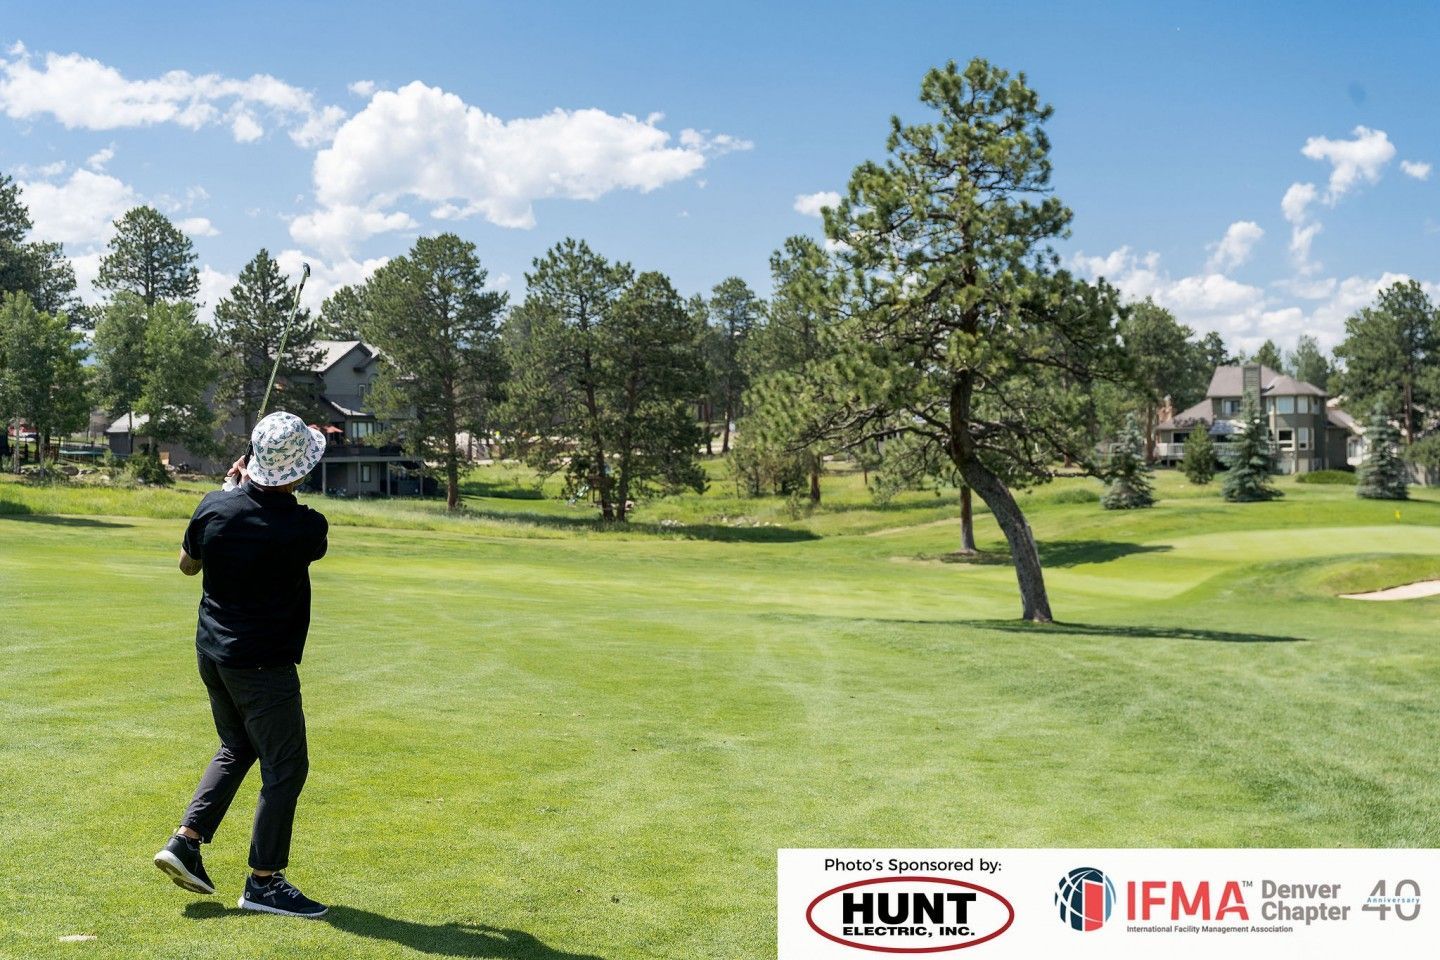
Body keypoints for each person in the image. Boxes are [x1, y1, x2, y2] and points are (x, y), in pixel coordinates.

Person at [153, 411, 331, 919]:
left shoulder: (213, 507)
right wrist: (242, 489)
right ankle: (264, 882)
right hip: (264, 666)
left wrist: (229, 490)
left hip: (213, 654)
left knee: (238, 745)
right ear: (298, 471)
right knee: (286, 766)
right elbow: (294, 531)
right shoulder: (306, 526)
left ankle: (187, 840)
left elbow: (187, 565)